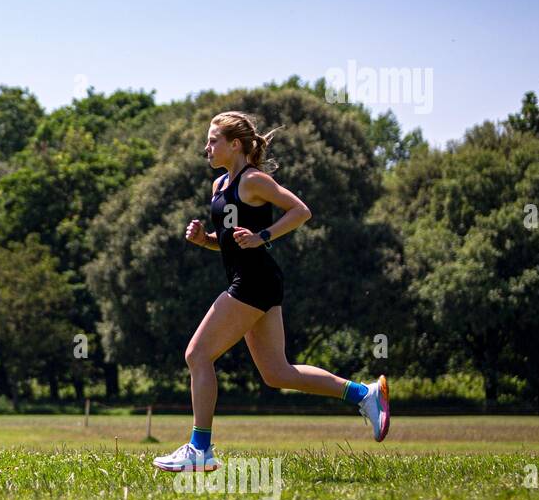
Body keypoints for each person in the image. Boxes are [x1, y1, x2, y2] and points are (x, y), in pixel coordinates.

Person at [152, 111, 389, 473]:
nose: (207, 147)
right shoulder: (220, 186)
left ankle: (200, 449)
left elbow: (300, 211)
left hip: (253, 281)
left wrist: (263, 236)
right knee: (278, 373)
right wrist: (205, 240)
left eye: (213, 140)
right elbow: (231, 241)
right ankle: (364, 394)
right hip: (254, 280)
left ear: (235, 145)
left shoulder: (254, 181)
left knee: (197, 355)